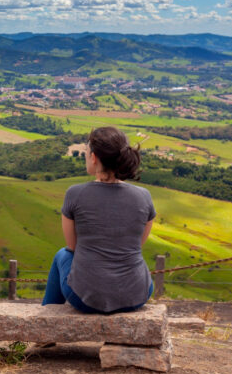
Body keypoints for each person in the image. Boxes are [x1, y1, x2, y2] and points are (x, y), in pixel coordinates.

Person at [42, 126, 155, 314]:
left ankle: (45, 326)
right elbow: (137, 244)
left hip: (85, 298)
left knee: (62, 254)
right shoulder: (144, 196)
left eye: (87, 153)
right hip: (137, 294)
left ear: (94, 158)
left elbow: (73, 247)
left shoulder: (75, 194)